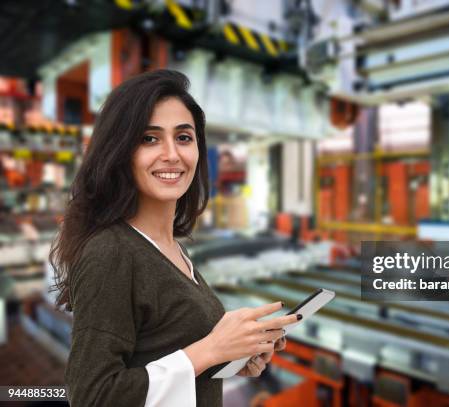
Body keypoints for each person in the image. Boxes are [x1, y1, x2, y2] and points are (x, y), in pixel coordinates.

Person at [49, 69, 300, 407]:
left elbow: (164, 358)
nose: (171, 154)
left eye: (183, 137)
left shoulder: (173, 251)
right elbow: (92, 395)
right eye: (149, 138)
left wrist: (230, 359)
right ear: (120, 151)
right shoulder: (111, 252)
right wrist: (209, 350)